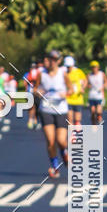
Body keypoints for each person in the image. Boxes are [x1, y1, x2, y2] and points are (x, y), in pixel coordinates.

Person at [33, 49, 69, 178]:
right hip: (46, 110)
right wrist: (38, 92)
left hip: (61, 110)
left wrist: (66, 93)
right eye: (50, 59)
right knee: (50, 140)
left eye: (54, 60)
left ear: (58, 61)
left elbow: (70, 89)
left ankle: (64, 152)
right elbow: (35, 89)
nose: (52, 62)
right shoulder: (41, 74)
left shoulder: (63, 74)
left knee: (61, 140)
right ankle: (55, 166)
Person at [64, 56, 87, 128]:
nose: (68, 68)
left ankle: (77, 133)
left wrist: (83, 87)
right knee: (70, 120)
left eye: (69, 66)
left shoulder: (78, 72)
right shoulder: (64, 73)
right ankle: (72, 136)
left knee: (77, 120)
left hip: (78, 99)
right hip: (68, 99)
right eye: (67, 67)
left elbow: (85, 80)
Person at [88, 61, 107, 125]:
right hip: (92, 96)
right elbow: (86, 83)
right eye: (93, 67)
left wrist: (103, 87)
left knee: (98, 110)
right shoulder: (89, 75)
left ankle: (99, 116)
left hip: (99, 95)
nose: (94, 69)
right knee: (93, 112)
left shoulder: (101, 74)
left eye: (95, 67)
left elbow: (106, 82)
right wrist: (87, 86)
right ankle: (93, 124)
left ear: (98, 67)